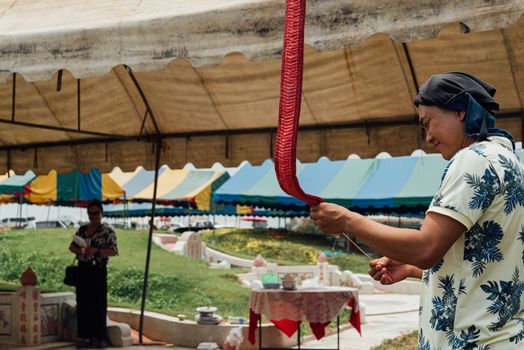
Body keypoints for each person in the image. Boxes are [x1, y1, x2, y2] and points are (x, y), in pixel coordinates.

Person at [310, 72, 524, 349]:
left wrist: (347, 220)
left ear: (461, 110)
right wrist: (411, 268)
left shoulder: (473, 160)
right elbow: (482, 268)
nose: (428, 137)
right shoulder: (508, 161)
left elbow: (426, 247)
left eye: (428, 123)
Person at [69, 200, 118, 349]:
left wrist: (96, 251)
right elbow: (71, 247)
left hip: (98, 270)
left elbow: (114, 251)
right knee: (83, 304)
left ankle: (100, 337)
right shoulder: (82, 230)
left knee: (98, 304)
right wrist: (81, 250)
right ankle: (84, 337)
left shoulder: (107, 231)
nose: (93, 216)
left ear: (102, 213)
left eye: (96, 213)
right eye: (90, 213)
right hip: (83, 269)